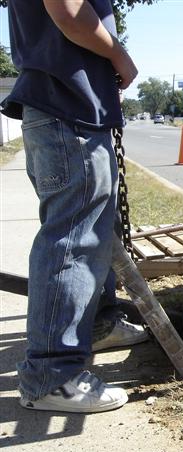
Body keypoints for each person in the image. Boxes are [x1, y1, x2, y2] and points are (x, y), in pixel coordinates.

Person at [1, 0, 148, 413]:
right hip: (66, 108)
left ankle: (98, 325)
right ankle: (53, 376)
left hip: (63, 108)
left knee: (86, 234)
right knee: (72, 241)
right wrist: (118, 52)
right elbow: (68, 13)